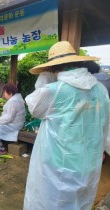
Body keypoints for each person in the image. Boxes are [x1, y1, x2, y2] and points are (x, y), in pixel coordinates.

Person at [23, 41, 110, 210]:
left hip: (59, 164)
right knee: (81, 202)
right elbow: (106, 123)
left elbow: (34, 106)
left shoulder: (55, 90)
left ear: (55, 68)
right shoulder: (100, 89)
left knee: (53, 203)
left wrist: (44, 81)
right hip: (90, 162)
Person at [0, 83, 26, 155]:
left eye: (5, 92)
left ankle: (1, 149)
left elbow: (9, 117)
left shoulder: (14, 101)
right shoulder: (15, 98)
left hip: (15, 124)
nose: (4, 94)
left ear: (10, 93)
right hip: (15, 121)